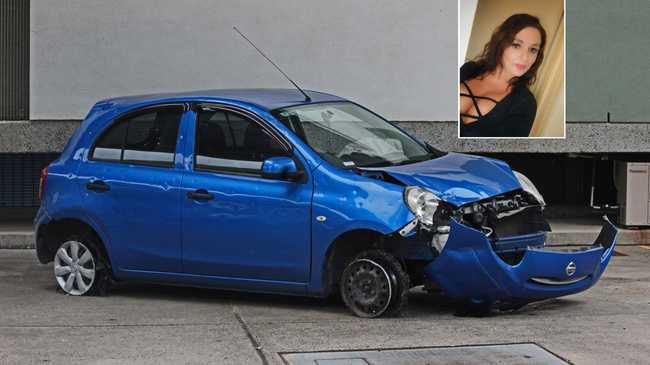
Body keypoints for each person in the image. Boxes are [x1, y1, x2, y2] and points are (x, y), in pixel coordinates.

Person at [460, 14, 546, 137]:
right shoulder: (469, 69)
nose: (525, 57)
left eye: (533, 49)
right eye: (516, 45)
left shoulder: (525, 103)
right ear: (500, 43)